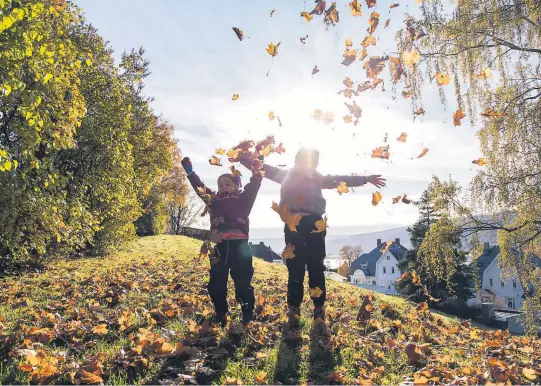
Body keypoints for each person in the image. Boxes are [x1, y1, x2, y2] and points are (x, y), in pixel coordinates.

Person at [240, 147, 386, 329]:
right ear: (296, 160)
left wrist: (364, 179)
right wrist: (241, 157)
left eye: (313, 161)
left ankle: (318, 310)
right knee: (295, 269)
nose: (310, 164)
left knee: (317, 267)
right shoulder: (283, 175)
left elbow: (341, 179)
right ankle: (294, 310)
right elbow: (259, 166)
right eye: (306, 160)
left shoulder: (318, 178)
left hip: (316, 225)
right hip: (294, 225)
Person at [181, 156, 262, 326]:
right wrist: (190, 172)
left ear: (237, 186)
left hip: (240, 248)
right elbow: (200, 188)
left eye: (228, 184)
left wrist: (258, 169)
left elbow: (254, 186)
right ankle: (221, 312)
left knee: (242, 284)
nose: (223, 187)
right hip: (219, 248)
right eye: (220, 185)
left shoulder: (243, 200)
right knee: (216, 283)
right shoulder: (214, 201)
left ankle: (247, 312)